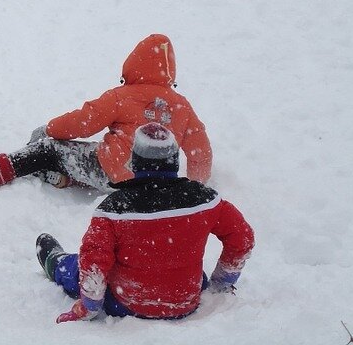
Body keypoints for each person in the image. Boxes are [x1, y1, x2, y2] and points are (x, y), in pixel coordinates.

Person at [36, 122, 255, 322]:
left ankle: (55, 262)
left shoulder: (113, 209)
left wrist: (88, 307)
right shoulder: (206, 201)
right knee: (186, 272)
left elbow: (94, 264)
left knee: (76, 267)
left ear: (136, 162)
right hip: (186, 299)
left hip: (125, 303)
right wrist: (220, 284)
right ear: (174, 161)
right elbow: (242, 237)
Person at [0, 34, 212, 194]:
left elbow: (83, 123)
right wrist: (195, 185)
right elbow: (200, 151)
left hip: (112, 174)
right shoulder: (181, 105)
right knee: (95, 151)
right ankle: (65, 179)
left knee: (49, 151)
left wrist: (49, 130)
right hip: (153, 185)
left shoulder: (121, 96)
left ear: (133, 65)